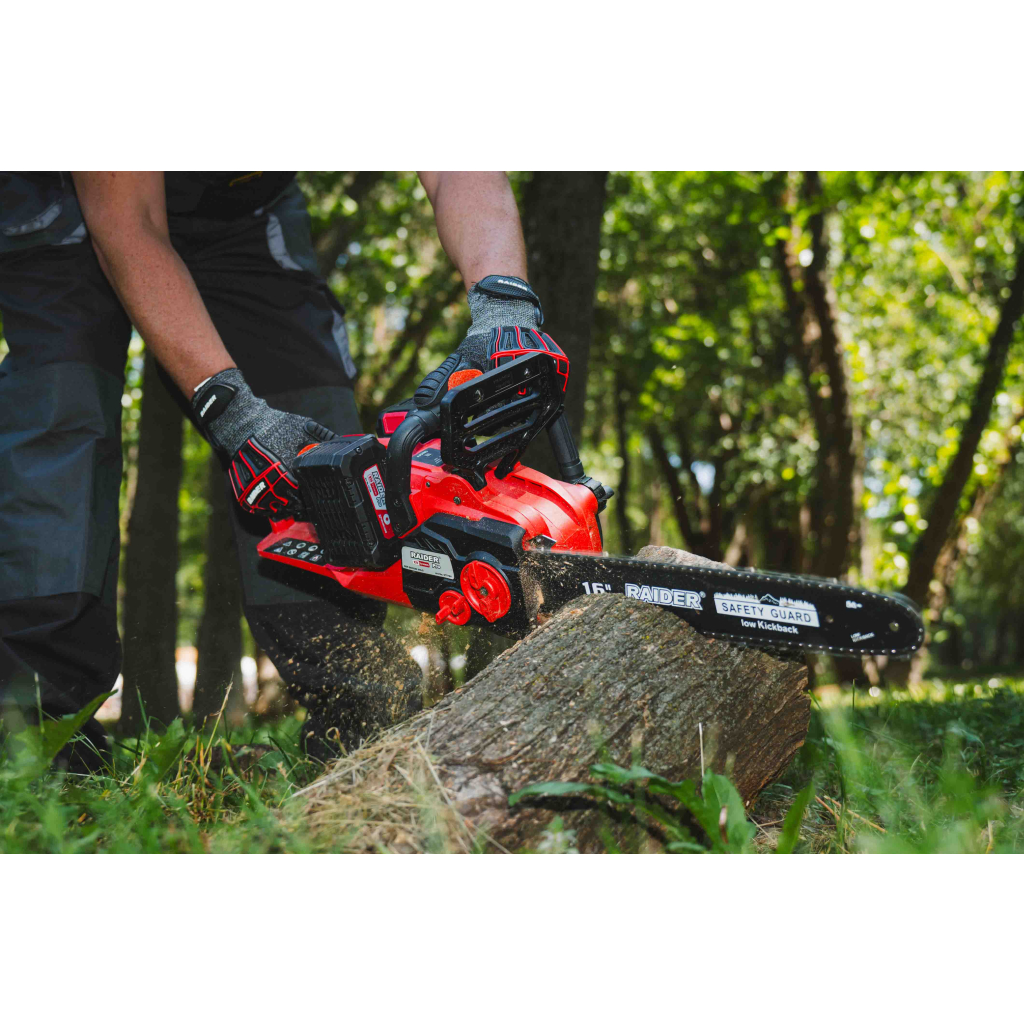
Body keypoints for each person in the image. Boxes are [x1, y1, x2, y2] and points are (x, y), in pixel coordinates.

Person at [0, 171, 554, 765]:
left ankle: (356, 716)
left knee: (318, 442)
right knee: (63, 413)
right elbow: (127, 222)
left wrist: (505, 304)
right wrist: (234, 414)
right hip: (72, 203)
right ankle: (38, 735)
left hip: (241, 215)